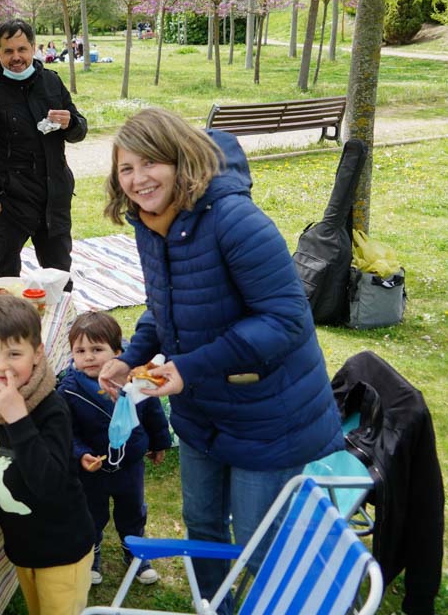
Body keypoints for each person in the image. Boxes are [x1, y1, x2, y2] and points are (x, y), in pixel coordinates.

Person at [96, 108, 343, 614]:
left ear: (180, 160)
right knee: (202, 524)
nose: (139, 179)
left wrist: (190, 368)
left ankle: (297, 603)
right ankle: (217, 607)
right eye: (126, 169)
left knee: (259, 540)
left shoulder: (235, 219)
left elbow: (287, 319)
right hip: (201, 410)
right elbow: (165, 306)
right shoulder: (149, 222)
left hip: (268, 414)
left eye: (151, 163)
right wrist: (131, 358)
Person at [0, 296, 95, 615]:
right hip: (24, 545)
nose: (2, 365)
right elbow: (7, 445)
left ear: (37, 354)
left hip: (61, 549)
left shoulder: (50, 409)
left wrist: (19, 418)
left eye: (14, 354)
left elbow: (48, 482)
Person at [0, 18, 87, 281]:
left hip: (54, 200)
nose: (16, 57)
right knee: (5, 286)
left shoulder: (51, 82)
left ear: (33, 48)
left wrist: (71, 123)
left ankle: (59, 322)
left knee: (59, 281)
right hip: (10, 205)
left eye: (22, 49)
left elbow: (79, 130)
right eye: (8, 51)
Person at [57, 311, 172, 587]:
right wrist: (80, 454)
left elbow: (153, 412)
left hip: (130, 464)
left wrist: (159, 442)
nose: (89, 357)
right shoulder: (68, 390)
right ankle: (91, 553)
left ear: (118, 352)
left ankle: (134, 552)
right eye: (80, 350)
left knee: (132, 510)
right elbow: (67, 433)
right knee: (91, 513)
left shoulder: (135, 382)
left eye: (97, 349)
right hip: (92, 469)